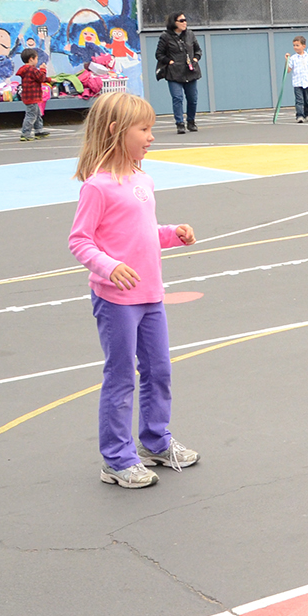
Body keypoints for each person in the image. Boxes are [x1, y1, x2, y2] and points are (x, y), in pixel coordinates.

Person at [66, 92, 200, 488]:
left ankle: (155, 441)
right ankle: (117, 459)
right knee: (121, 376)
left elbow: (141, 234)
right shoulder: (98, 187)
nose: (151, 137)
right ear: (115, 132)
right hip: (116, 301)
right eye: (144, 129)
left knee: (158, 370)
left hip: (151, 295)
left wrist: (172, 234)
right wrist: (109, 267)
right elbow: (81, 241)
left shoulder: (143, 179)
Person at [154, 13, 202, 135]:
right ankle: (180, 123)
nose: (184, 22)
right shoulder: (165, 37)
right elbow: (159, 54)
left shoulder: (190, 34)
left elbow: (198, 50)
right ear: (174, 22)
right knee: (177, 98)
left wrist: (195, 59)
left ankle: (191, 121)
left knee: (193, 99)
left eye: (185, 20)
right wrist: (170, 62)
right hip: (174, 73)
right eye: (181, 20)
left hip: (190, 72)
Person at [16, 47, 51, 140]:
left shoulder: (26, 70)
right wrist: (43, 70)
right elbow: (41, 78)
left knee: (37, 113)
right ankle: (25, 133)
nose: (37, 61)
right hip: (32, 96)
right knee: (31, 115)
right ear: (31, 59)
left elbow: (37, 78)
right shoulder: (32, 69)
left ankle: (38, 131)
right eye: (36, 58)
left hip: (28, 96)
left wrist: (50, 80)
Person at [286, 36, 308, 123]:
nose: (295, 47)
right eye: (294, 45)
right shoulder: (293, 58)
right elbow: (288, 70)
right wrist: (287, 60)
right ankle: (299, 115)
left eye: (297, 45)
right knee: (299, 100)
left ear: (303, 46)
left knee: (307, 100)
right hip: (297, 83)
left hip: (307, 82)